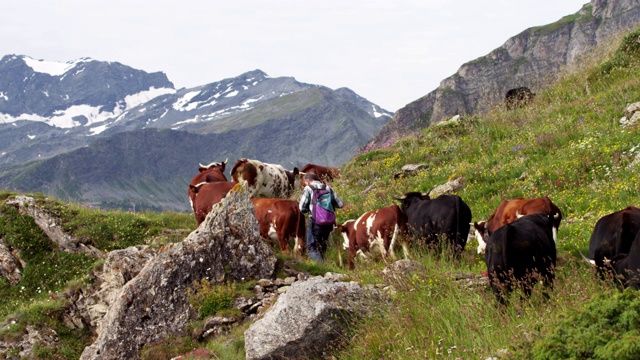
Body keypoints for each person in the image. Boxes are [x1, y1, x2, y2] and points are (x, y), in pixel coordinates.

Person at [299, 172, 344, 262]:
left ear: (307, 181)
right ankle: (325, 268)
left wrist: (308, 209)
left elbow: (302, 208)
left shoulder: (308, 188)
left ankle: (322, 267)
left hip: (315, 221)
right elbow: (340, 204)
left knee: (311, 248)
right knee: (322, 246)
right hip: (329, 222)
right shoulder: (328, 187)